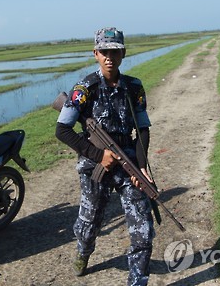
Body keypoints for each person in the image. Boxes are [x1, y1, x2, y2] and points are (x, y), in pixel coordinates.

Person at [55, 27, 155, 286]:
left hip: (128, 161)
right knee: (89, 224)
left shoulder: (134, 87)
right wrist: (98, 155)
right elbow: (62, 129)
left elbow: (142, 129)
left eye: (115, 51)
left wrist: (142, 167)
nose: (109, 57)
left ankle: (137, 280)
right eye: (104, 52)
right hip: (95, 165)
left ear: (123, 53)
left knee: (143, 230)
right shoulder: (84, 88)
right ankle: (83, 253)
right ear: (95, 53)